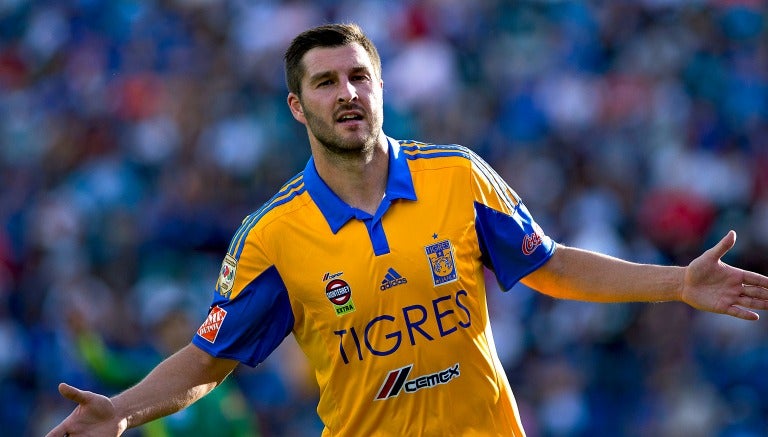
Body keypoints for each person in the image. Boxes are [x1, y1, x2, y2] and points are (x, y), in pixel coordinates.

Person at [46, 23, 768, 437]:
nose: (347, 93)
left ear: (382, 87)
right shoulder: (273, 234)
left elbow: (550, 264)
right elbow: (208, 360)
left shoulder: (457, 175)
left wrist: (677, 282)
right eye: (325, 83)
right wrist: (125, 410)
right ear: (298, 108)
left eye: (359, 76)